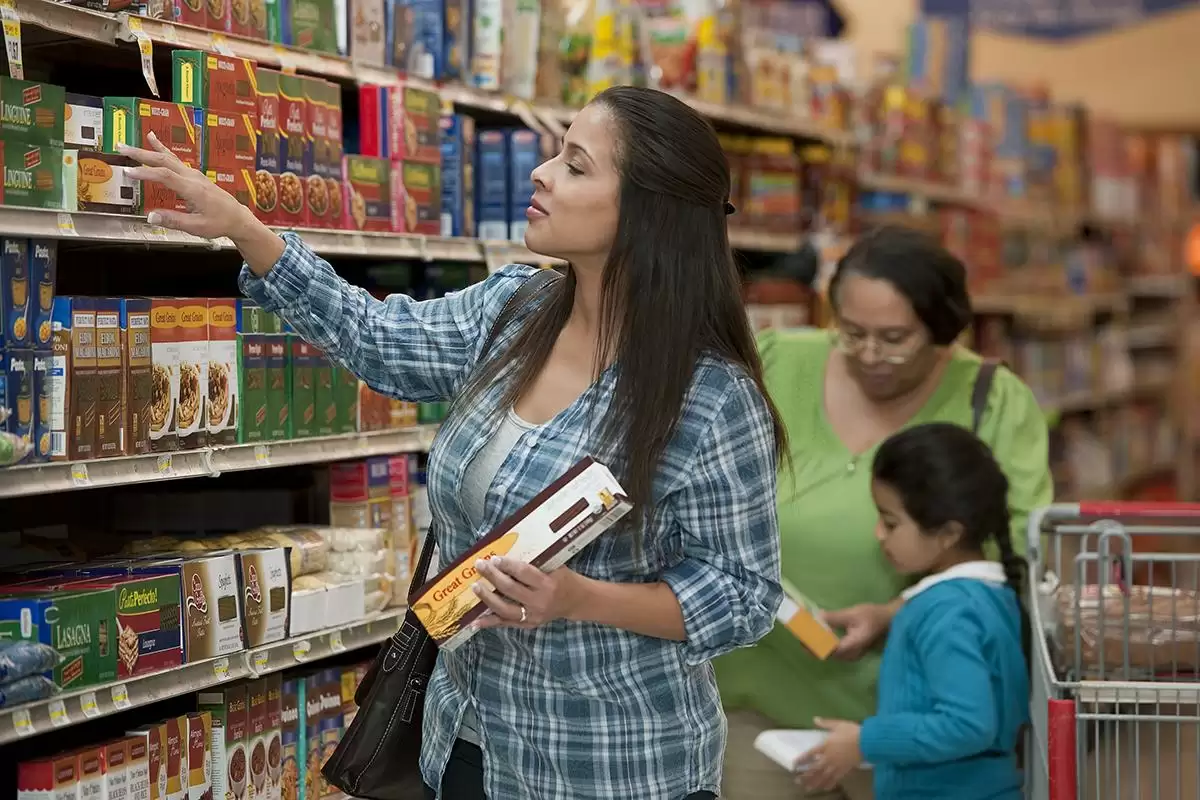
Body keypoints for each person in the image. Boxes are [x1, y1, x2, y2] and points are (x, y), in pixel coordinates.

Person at [119, 85, 786, 800]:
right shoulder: (515, 311)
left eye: (577, 165)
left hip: (609, 765)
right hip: (461, 740)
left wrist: (579, 597)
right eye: (556, 152)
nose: (542, 174)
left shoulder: (709, 399)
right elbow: (376, 339)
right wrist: (243, 228)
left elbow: (744, 596)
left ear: (648, 214)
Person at [717, 225, 1051, 800]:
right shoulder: (776, 359)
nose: (870, 355)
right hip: (758, 700)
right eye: (851, 333)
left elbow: (1013, 550)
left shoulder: (992, 398)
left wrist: (894, 611)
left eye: (896, 337)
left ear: (942, 330)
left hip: (917, 717)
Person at [800, 421, 1030, 800]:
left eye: (890, 522)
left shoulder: (947, 611)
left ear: (949, 534)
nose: (878, 534)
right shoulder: (991, 594)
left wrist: (863, 742)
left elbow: (967, 724)